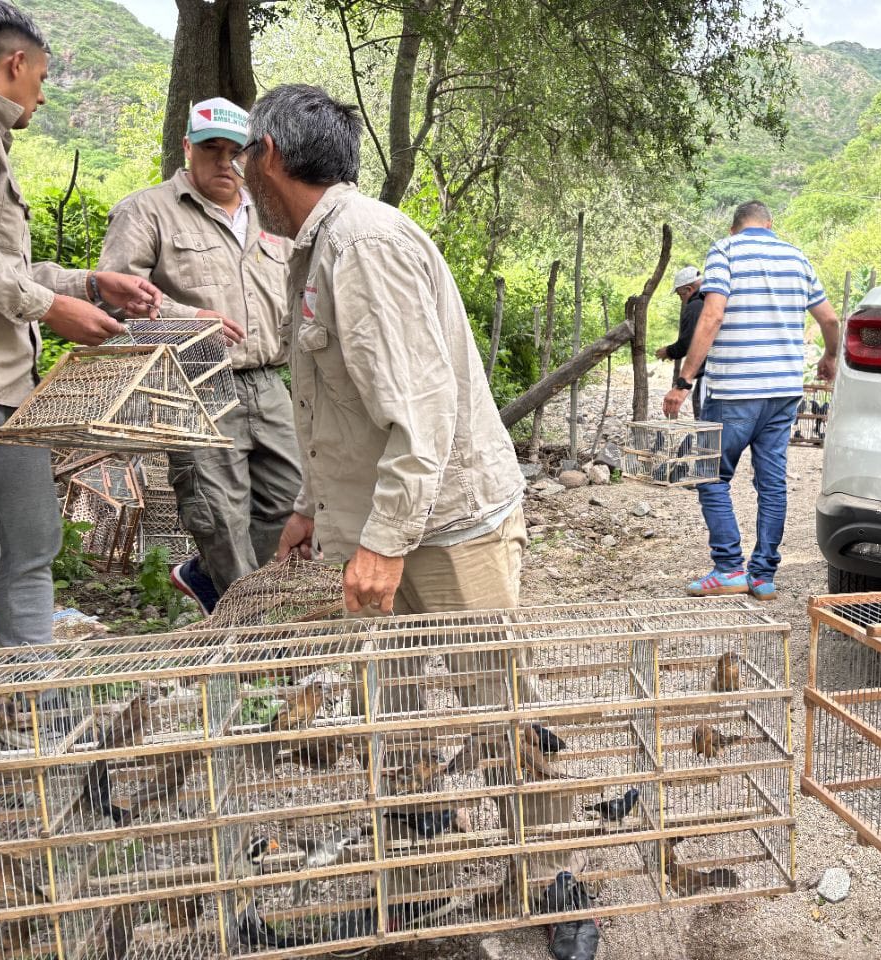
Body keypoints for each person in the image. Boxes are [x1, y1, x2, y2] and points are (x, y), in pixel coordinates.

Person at [239, 84, 598, 960]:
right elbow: (337, 410)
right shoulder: (317, 249)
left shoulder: (363, 246)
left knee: (497, 698)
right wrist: (309, 508)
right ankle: (416, 854)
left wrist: (382, 543)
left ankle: (554, 874)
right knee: (391, 702)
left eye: (245, 153)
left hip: (446, 527)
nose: (241, 170)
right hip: (379, 527)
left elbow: (422, 415)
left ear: (269, 155)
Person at [0, 2, 161, 664]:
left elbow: (7, 269)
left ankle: (35, 704)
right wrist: (51, 309)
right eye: (42, 77)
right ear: (17, 63)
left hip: (12, 393)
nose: (42, 94)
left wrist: (88, 284)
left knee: (31, 551)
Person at [99, 97, 301, 614]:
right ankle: (248, 633)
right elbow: (112, 301)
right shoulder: (146, 210)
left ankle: (211, 580)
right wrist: (187, 318)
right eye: (211, 148)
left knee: (293, 499)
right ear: (187, 147)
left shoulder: (270, 214)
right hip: (194, 381)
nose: (225, 161)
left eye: (236, 151)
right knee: (219, 514)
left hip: (268, 381)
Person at [662, 200, 839, 602]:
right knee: (772, 484)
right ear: (769, 225)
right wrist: (830, 357)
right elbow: (830, 319)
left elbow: (712, 316)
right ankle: (762, 576)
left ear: (733, 228)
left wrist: (684, 381)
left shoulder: (725, 251)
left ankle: (728, 568)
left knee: (709, 474)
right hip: (783, 391)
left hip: (734, 389)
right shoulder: (796, 256)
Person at [655, 265, 705, 417]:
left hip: (709, 374)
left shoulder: (695, 306)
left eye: (679, 295)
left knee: (705, 420)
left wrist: (668, 351)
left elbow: (687, 343)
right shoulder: (713, 299)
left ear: (689, 289)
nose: (681, 299)